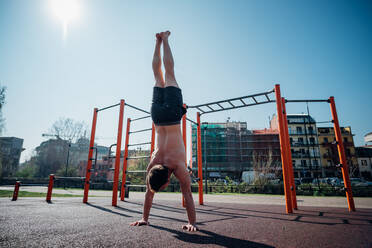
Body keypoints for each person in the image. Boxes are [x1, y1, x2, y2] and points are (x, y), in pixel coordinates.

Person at [130, 31, 198, 232]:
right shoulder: (152, 164)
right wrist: (144, 218)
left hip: (173, 116)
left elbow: (187, 195)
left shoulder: (178, 166)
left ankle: (165, 40)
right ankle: (157, 41)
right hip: (158, 116)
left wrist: (192, 223)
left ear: (168, 180)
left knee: (169, 73)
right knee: (157, 76)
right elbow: (148, 192)